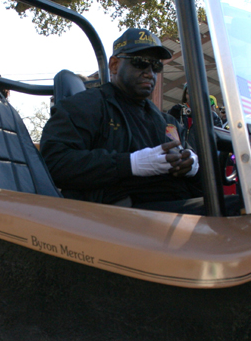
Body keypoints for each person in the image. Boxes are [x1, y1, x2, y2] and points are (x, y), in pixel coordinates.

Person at [40, 28, 204, 212]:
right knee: (233, 210)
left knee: (233, 205)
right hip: (121, 216)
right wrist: (130, 164)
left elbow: (202, 181)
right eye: (140, 62)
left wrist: (193, 167)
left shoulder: (167, 123)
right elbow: (53, 162)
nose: (150, 72)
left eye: (156, 66)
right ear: (114, 65)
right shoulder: (87, 106)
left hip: (173, 207)